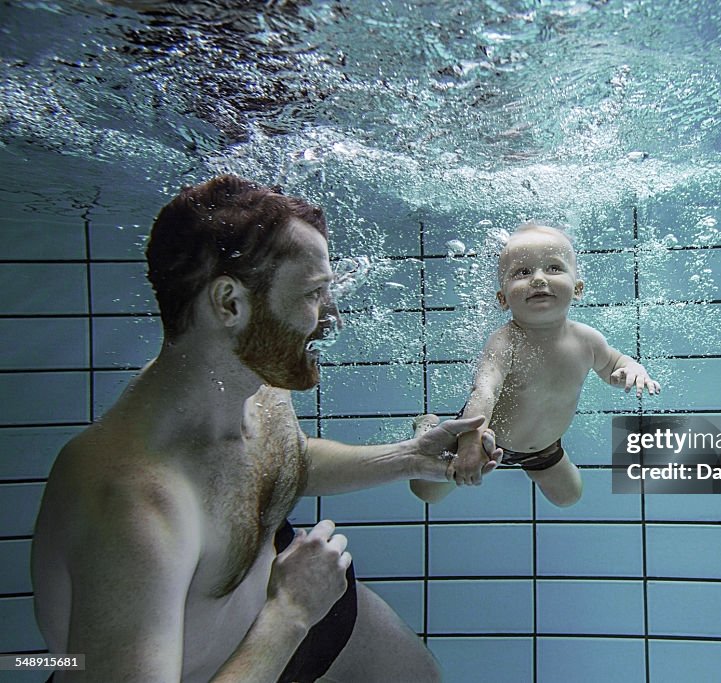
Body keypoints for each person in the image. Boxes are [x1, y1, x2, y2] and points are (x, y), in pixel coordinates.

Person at [30, 174, 501, 683]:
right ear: (230, 304)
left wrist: (411, 457)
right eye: (314, 293)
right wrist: (291, 613)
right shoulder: (132, 502)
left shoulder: (258, 385)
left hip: (280, 613)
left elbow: (281, 461)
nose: (333, 317)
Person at [409, 221, 660, 508]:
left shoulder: (588, 340)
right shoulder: (505, 341)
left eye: (554, 268)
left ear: (577, 288)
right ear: (503, 298)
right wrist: (468, 444)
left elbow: (613, 366)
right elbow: (484, 392)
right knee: (425, 491)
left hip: (543, 447)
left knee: (569, 497)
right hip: (482, 437)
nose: (539, 279)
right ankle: (427, 430)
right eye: (522, 272)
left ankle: (529, 463)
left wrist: (631, 369)